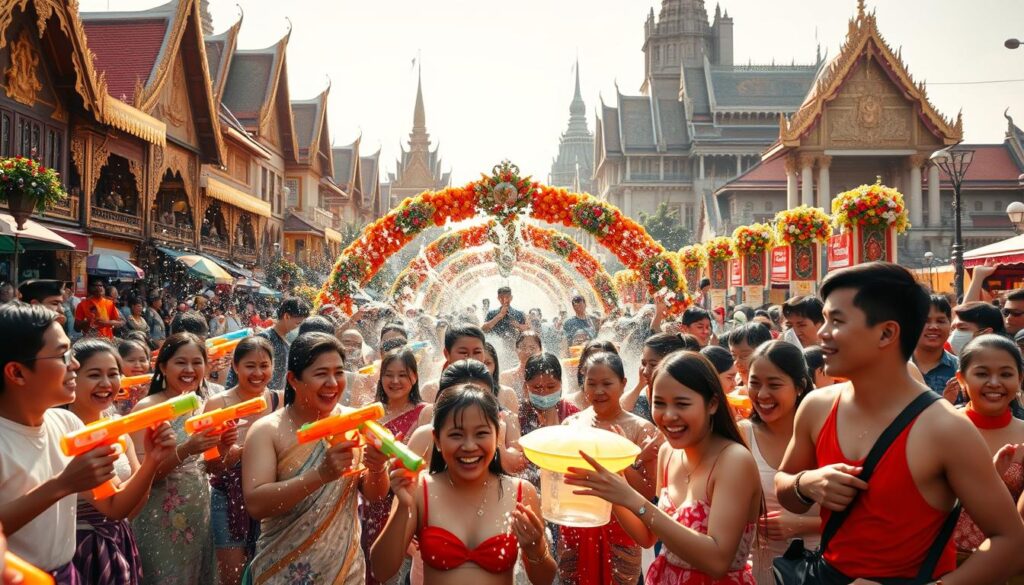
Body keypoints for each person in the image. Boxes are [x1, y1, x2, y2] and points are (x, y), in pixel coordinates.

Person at [775, 262, 1024, 582]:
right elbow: (786, 486)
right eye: (824, 320)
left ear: (887, 332)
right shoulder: (816, 406)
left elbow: (1011, 540)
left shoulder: (945, 428)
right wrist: (806, 483)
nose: (821, 333)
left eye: (836, 320)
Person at [565, 351, 761, 584]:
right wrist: (615, 488)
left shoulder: (733, 460)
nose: (668, 416)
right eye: (659, 403)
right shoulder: (668, 453)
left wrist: (632, 498)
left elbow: (717, 561)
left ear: (712, 404)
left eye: (681, 404)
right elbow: (648, 537)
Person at [370, 385, 557, 585]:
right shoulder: (418, 489)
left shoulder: (520, 492)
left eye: (481, 434)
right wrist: (403, 507)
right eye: (456, 435)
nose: (469, 446)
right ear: (438, 440)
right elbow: (381, 571)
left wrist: (536, 548)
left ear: (497, 437)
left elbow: (543, 579)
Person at [242, 332, 389, 584]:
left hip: (344, 569)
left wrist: (377, 469)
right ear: (294, 380)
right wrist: (320, 475)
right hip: (282, 568)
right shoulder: (267, 431)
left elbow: (374, 495)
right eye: (321, 373)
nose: (333, 383)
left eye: (339, 372)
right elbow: (256, 504)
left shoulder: (355, 422)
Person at [0, 303, 117, 583]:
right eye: (62, 355)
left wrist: (154, 457)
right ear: (17, 373)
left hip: (68, 572)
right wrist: (63, 484)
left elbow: (114, 505)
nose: (74, 364)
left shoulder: (67, 425)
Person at [67, 338, 177, 585]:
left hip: (121, 538)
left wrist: (151, 459)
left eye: (113, 374)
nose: (106, 384)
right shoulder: (69, 435)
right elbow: (116, 506)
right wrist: (152, 460)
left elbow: (134, 505)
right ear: (72, 378)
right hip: (83, 549)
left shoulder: (118, 426)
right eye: (94, 375)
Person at [130, 333, 230, 585]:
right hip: (158, 516)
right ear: (163, 367)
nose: (189, 370)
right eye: (180, 362)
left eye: (197, 362)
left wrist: (225, 446)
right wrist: (186, 449)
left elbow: (209, 466)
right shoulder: (148, 408)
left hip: (198, 511)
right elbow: (140, 477)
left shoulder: (201, 403)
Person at [558, 352, 658, 585]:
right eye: (591, 384)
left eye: (607, 383)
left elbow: (648, 493)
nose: (598, 391)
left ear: (623, 384)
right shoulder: (571, 425)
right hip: (576, 526)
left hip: (622, 531)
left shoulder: (641, 429)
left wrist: (623, 465)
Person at [740, 340, 820, 583]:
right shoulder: (742, 435)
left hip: (818, 569)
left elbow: (861, 519)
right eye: (754, 384)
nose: (762, 395)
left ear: (799, 387)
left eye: (774, 385)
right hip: (758, 572)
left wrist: (801, 524)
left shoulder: (825, 434)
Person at [203, 337, 281, 585]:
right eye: (250, 366)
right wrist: (230, 449)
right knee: (232, 577)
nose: (258, 373)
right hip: (228, 497)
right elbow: (210, 465)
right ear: (235, 367)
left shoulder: (279, 401)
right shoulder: (219, 404)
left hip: (270, 495)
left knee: (266, 572)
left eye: (264, 365)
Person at [950, 335, 1024, 575]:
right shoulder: (938, 427)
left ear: (1020, 379)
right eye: (982, 374)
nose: (994, 383)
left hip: (1006, 568)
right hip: (938, 565)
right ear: (961, 379)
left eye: (1005, 374)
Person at [360, 348, 426, 585]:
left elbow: (423, 466)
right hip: (369, 506)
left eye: (403, 375)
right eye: (389, 374)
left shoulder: (425, 413)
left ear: (415, 378)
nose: (395, 381)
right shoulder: (370, 413)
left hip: (404, 507)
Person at [225, 297, 310, 390]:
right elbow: (241, 369)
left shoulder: (287, 342)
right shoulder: (265, 339)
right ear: (286, 317)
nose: (298, 328)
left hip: (273, 400)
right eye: (297, 323)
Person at [621, 332, 690, 422]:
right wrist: (639, 386)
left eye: (653, 365)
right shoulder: (641, 396)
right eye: (643, 363)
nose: (645, 371)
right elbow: (620, 410)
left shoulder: (688, 397)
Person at [419, 325, 488, 404]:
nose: (470, 358)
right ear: (447, 354)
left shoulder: (497, 391)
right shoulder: (431, 390)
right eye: (463, 352)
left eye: (477, 352)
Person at [913, 294, 960, 397]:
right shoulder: (896, 368)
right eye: (925, 321)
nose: (934, 326)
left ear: (950, 324)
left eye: (940, 321)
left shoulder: (961, 369)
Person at [726, 323, 773, 389]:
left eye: (744, 356)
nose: (737, 363)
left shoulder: (775, 385)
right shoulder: (735, 382)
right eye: (733, 356)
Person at [500, 330, 542, 400]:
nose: (528, 351)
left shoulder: (547, 376)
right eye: (523, 347)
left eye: (532, 348)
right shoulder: (506, 377)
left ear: (540, 350)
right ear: (516, 350)